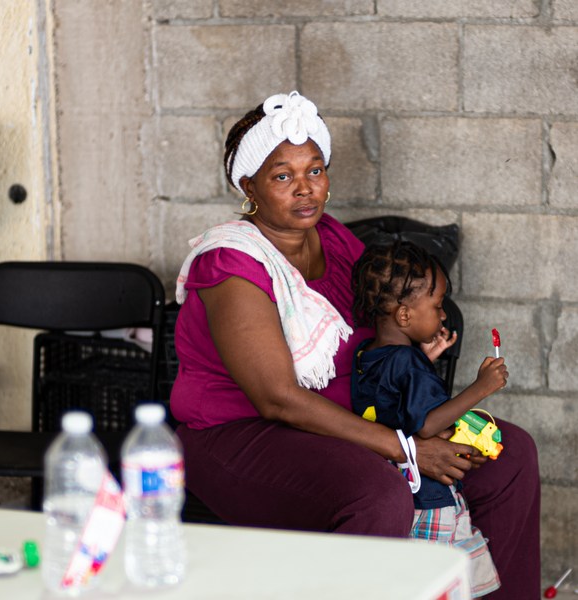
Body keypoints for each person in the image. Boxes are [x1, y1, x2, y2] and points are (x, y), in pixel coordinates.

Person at [170, 90, 540, 599]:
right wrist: (409, 451)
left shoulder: (334, 240)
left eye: (315, 170)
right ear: (249, 186)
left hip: (359, 418)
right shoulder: (232, 264)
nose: (306, 189)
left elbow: (385, 326)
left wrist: (416, 361)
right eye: (283, 177)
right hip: (241, 436)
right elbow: (278, 399)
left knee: (509, 453)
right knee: (378, 496)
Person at [351, 241, 507, 597]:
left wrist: (423, 362)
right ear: (404, 317)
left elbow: (392, 401)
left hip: (403, 489)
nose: (443, 316)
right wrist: (480, 388)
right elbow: (427, 425)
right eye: (437, 306)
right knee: (443, 584)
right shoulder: (407, 363)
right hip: (432, 500)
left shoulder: (367, 355)